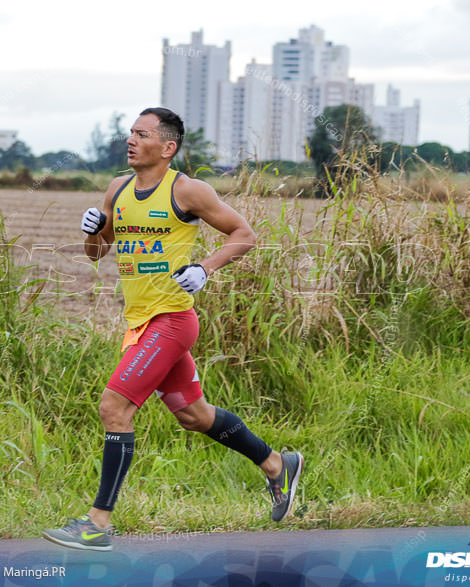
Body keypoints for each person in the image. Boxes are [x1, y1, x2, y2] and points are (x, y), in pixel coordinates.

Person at [42, 107, 303, 551]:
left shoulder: (187, 191)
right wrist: (93, 231)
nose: (131, 140)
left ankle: (97, 524)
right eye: (130, 132)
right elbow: (95, 253)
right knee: (193, 415)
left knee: (114, 407)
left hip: (172, 320)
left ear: (167, 147)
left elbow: (243, 234)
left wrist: (205, 268)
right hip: (140, 323)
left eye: (141, 134)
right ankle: (278, 464)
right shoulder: (117, 189)